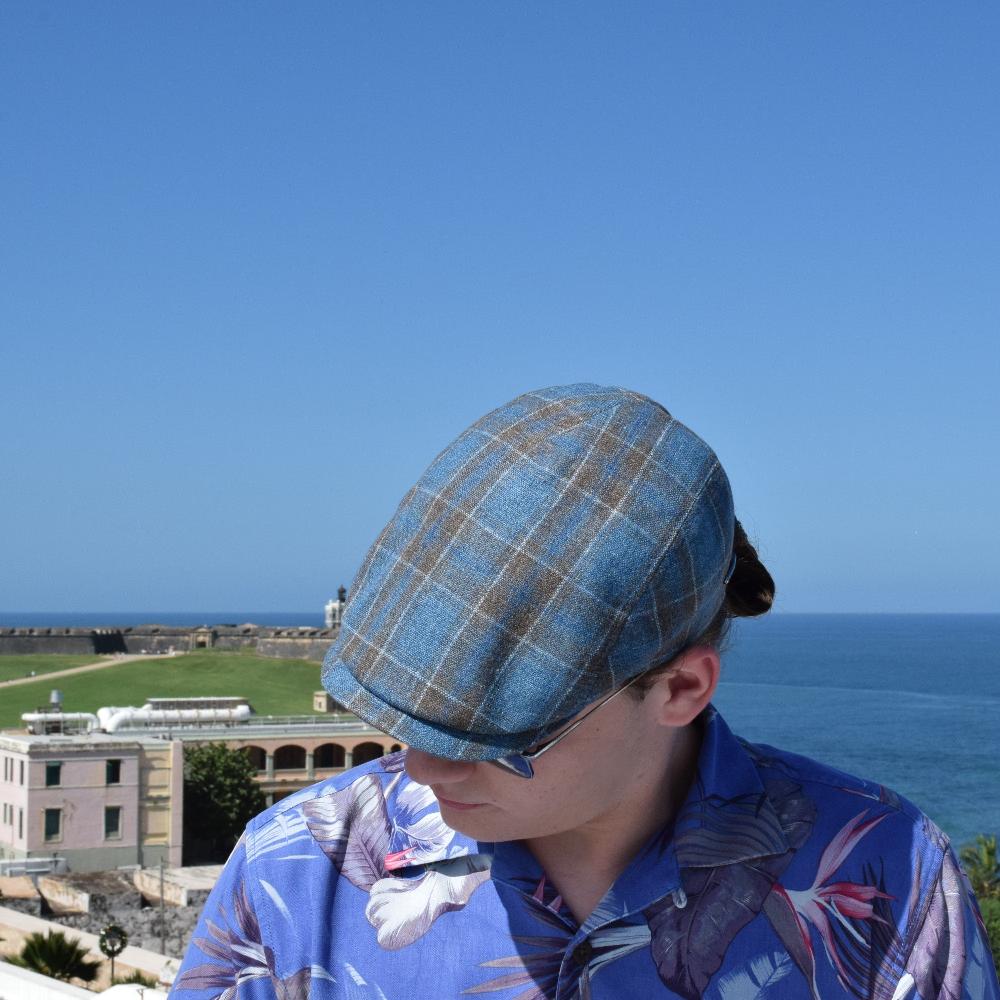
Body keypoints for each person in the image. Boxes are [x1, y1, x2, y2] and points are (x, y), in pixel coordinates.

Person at [171, 384, 998, 1000]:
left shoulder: (890, 871)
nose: (422, 768)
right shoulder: (295, 869)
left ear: (681, 688)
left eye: (498, 736)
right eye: (403, 714)